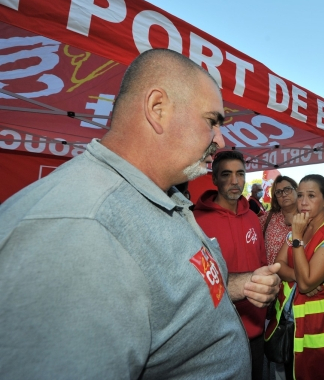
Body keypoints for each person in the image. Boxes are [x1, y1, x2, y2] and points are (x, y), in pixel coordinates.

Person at [0, 49, 281, 379]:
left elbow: (166, 289)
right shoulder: (82, 232)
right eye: (211, 121)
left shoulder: (159, 196)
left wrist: (238, 285)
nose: (219, 139)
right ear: (157, 109)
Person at [266, 174, 324, 380]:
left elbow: (305, 285)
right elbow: (277, 266)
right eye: (301, 195)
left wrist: (296, 238)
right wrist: (301, 277)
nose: (303, 202)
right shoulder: (301, 227)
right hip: (290, 329)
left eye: (311, 196)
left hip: (321, 336)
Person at [194, 150, 268, 380]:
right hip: (217, 337)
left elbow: (262, 262)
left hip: (256, 331)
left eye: (240, 174)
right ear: (214, 179)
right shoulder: (196, 221)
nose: (235, 181)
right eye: (227, 174)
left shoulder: (252, 218)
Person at [260, 175, 299, 266]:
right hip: (270, 276)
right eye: (278, 192)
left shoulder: (308, 216)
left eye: (287, 189)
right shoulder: (268, 217)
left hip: (296, 277)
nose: (284, 194)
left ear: (296, 190)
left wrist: (294, 223)